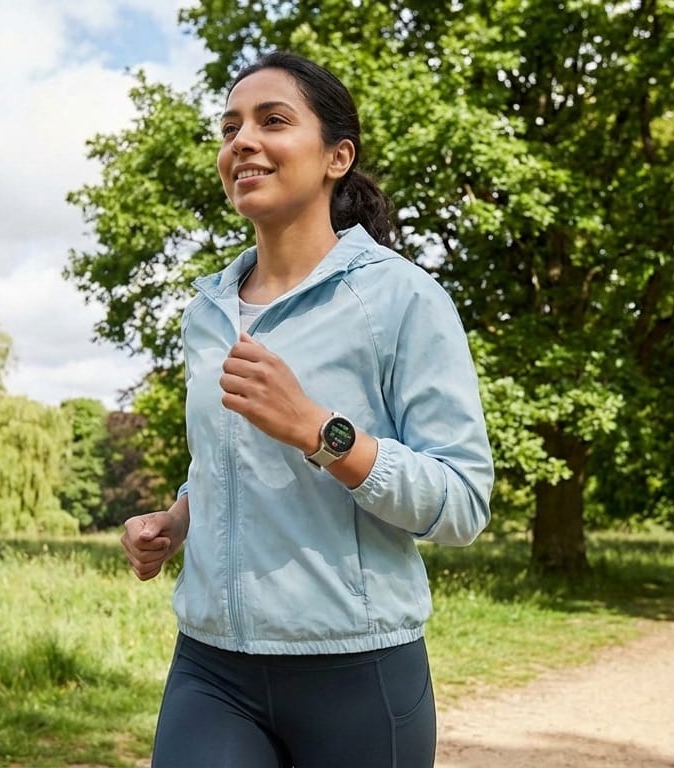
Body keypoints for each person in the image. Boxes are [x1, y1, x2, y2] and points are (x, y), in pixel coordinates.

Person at [120, 50, 494, 768]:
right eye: (229, 127)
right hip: (210, 665)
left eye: (273, 121)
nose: (242, 141)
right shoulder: (207, 314)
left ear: (336, 156)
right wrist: (176, 520)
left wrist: (320, 433)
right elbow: (221, 463)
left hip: (356, 670)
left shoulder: (403, 300)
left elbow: (463, 502)